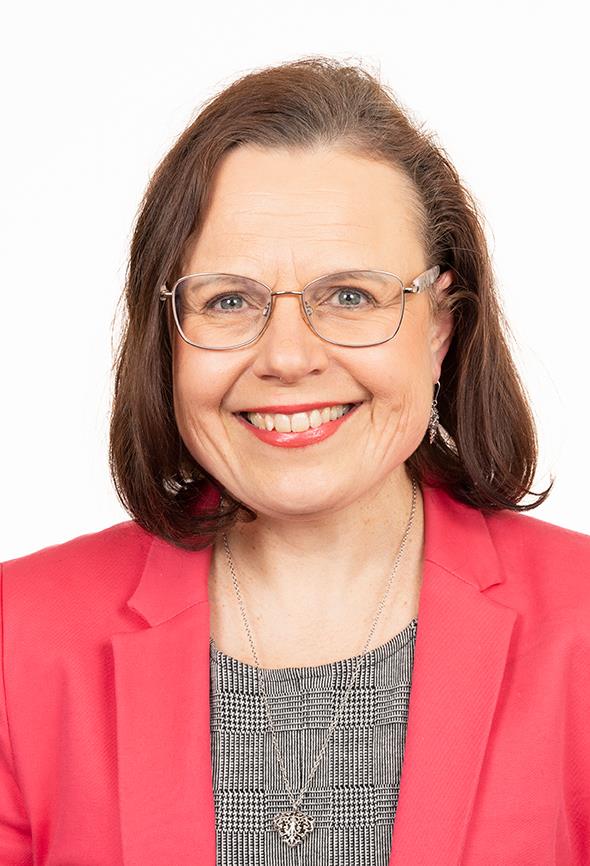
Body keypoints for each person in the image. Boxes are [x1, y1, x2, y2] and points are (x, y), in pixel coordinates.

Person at [1, 57, 589, 866]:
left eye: (350, 296)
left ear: (441, 330)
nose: (286, 357)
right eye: (228, 299)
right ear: (168, 337)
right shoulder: (15, 640)